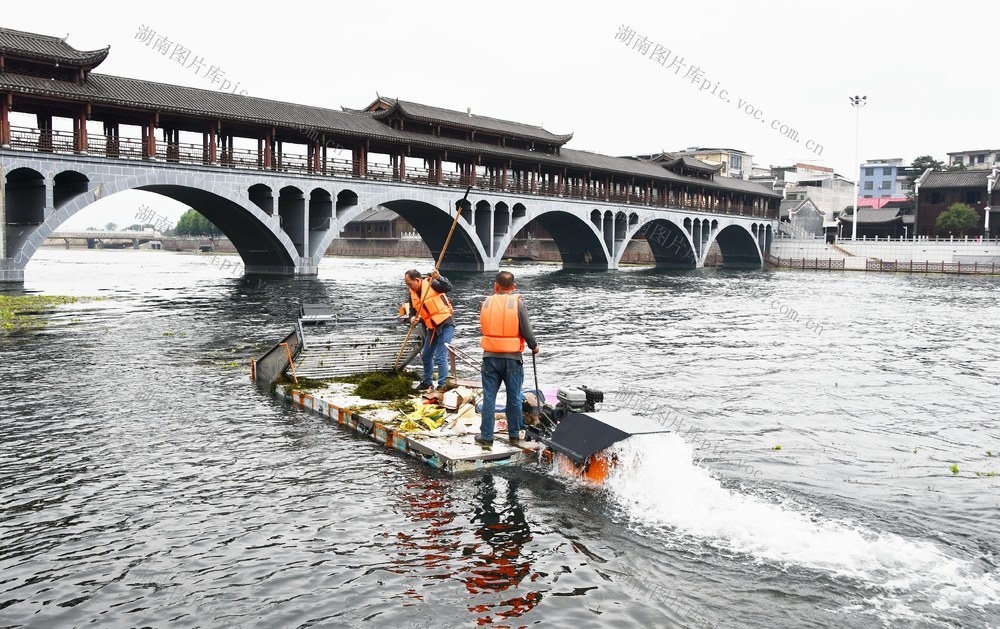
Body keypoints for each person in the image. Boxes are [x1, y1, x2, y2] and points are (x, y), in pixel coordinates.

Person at [476, 271, 539, 447]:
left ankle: (486, 437)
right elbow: (526, 330)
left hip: (490, 357)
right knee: (514, 397)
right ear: (513, 287)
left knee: (489, 398)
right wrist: (534, 346)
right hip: (512, 359)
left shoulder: (486, 303)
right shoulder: (517, 304)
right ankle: (514, 435)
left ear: (495, 286)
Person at [404, 268, 455, 391]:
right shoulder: (412, 294)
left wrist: (439, 278)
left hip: (445, 324)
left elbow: (448, 287)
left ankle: (442, 384)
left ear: (417, 280)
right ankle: (427, 382)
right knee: (426, 355)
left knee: (440, 355)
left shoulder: (433, 283)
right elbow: (411, 312)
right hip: (431, 327)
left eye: (410, 284)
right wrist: (411, 319)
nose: (409, 287)